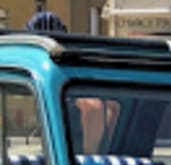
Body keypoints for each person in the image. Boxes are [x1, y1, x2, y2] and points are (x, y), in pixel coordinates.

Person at [25, 12, 117, 153]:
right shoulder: (73, 67)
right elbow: (112, 108)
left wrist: (89, 157)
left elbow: (94, 107)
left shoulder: (59, 72)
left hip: (72, 161)